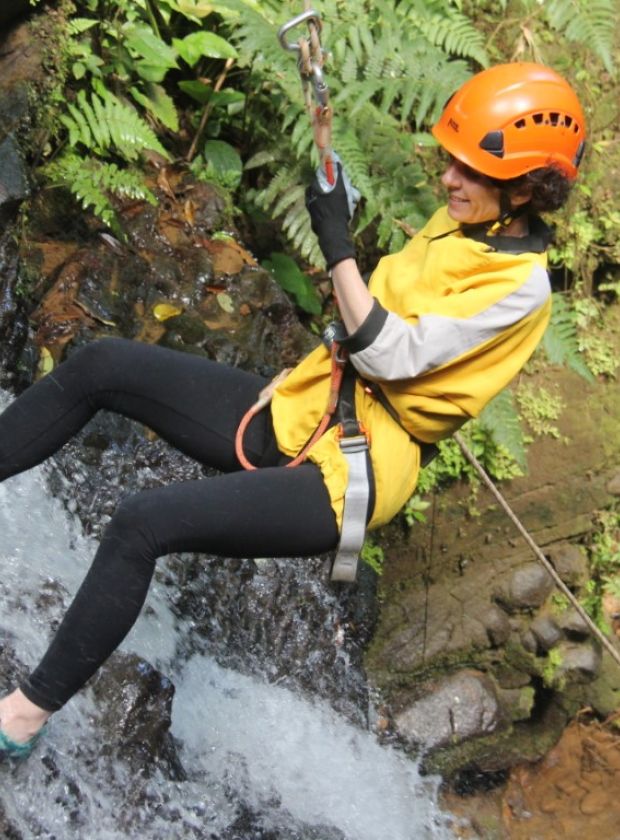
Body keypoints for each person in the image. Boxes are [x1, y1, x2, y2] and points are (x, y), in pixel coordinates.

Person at [0, 62, 585, 759]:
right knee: (102, 366)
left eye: (469, 172)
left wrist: (336, 242)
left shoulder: (522, 289)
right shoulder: (466, 224)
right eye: (450, 164)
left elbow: (394, 355)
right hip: (312, 403)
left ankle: (23, 717)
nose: (449, 181)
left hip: (353, 474)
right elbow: (390, 308)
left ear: (526, 186)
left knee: (143, 521)